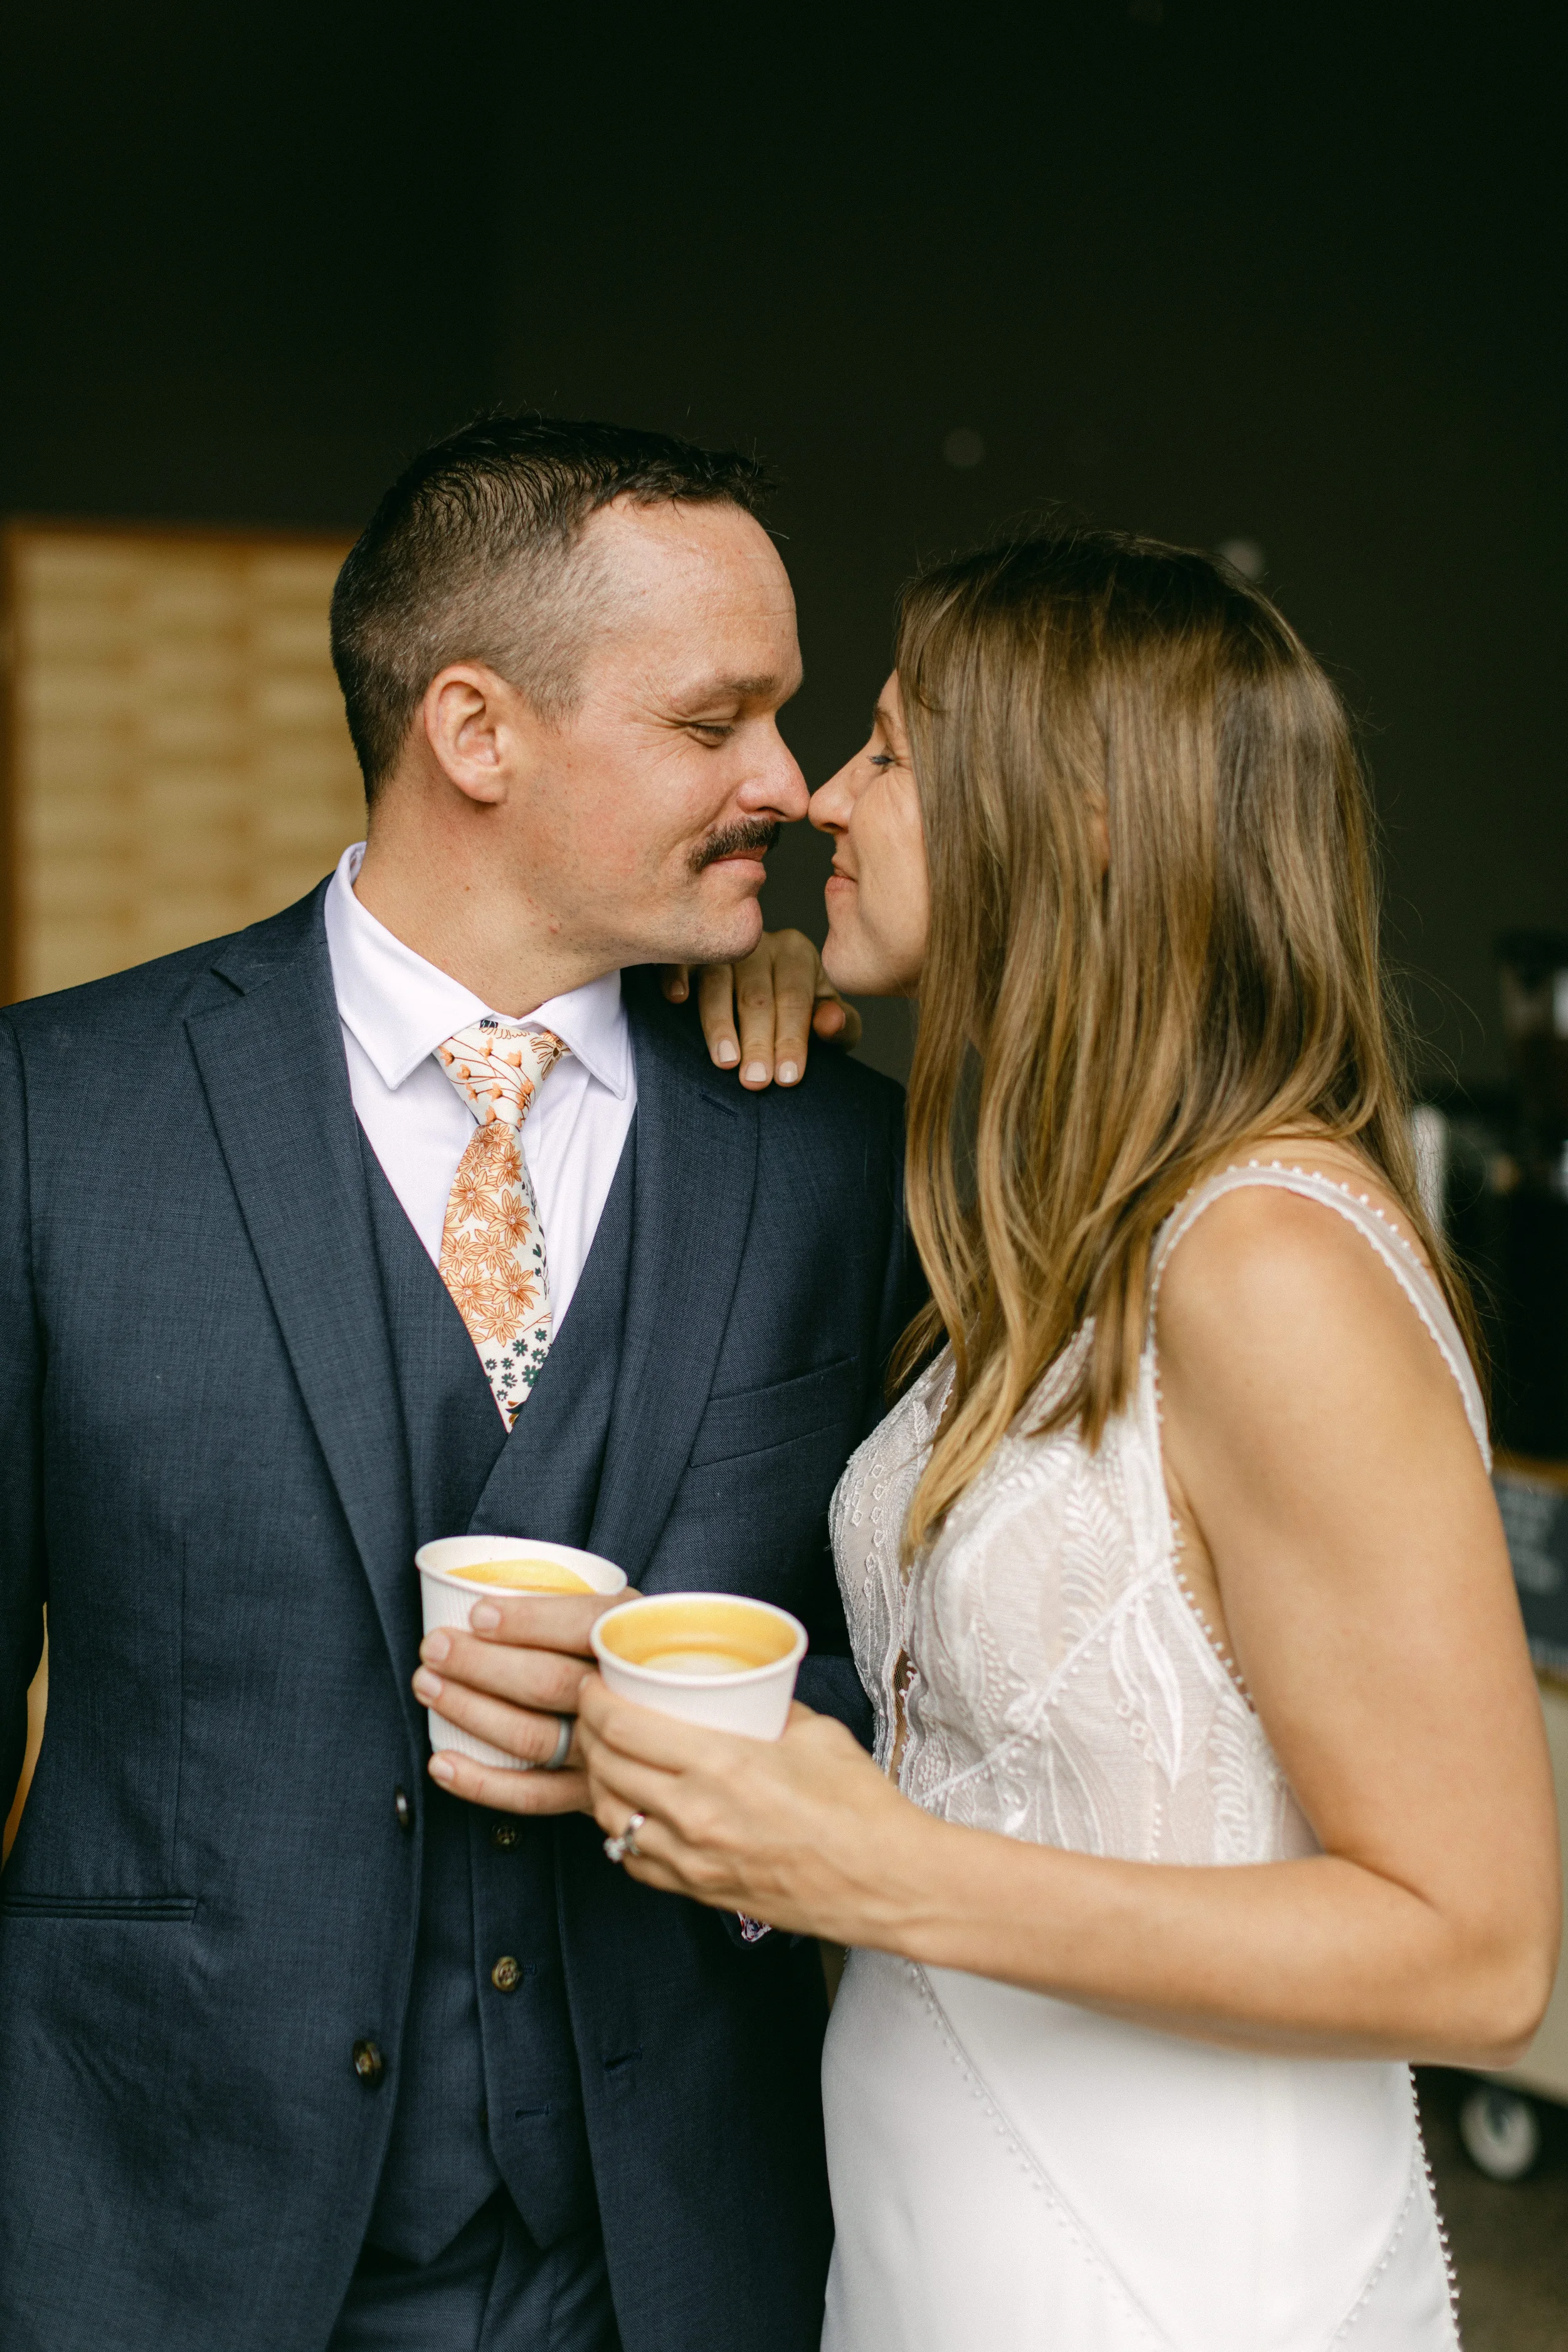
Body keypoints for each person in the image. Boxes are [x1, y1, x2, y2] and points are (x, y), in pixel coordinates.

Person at [578, 528, 1562, 2349]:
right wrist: (740, 1034)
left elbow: (1482, 1949)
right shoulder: (1064, 1230)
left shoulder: (1264, 1258)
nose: (820, 804)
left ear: (1082, 818)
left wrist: (878, 1870)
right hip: (936, 2242)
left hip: (1173, 2282)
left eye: (888, 746)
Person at [0, 415, 923, 2352]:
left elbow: (926, 1680)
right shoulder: (53, 1120)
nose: (789, 782)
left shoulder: (833, 1152)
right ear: (476, 731)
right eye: (715, 721)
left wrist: (738, 1737)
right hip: (160, 2239)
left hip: (685, 2253)